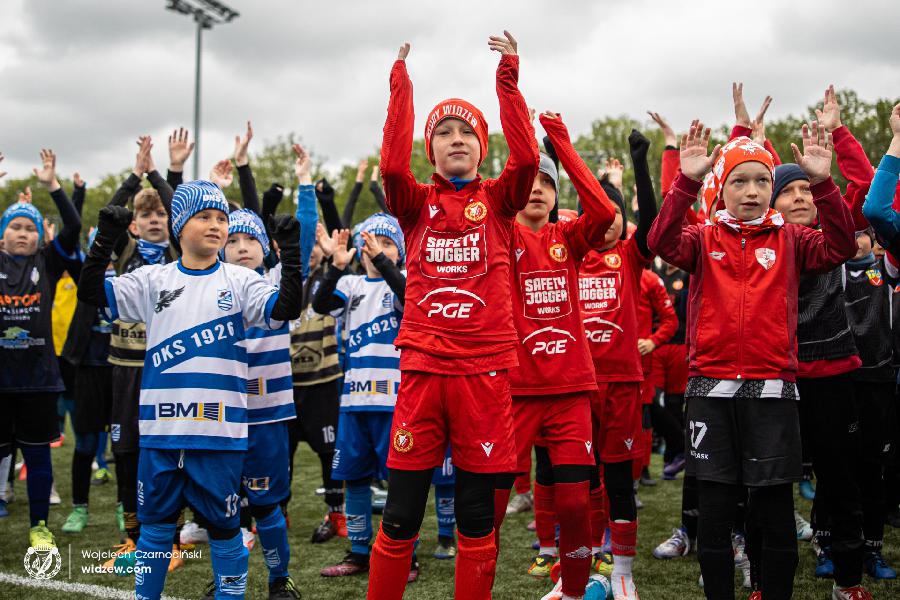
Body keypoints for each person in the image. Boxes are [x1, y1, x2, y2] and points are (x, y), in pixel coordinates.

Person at [648, 120, 857, 600]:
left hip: (772, 394)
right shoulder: (702, 238)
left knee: (775, 512)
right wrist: (685, 183)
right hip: (711, 395)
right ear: (721, 189)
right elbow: (659, 241)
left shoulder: (793, 239)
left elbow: (841, 246)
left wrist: (824, 184)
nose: (752, 191)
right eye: (739, 181)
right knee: (716, 515)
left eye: (762, 180)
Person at [367, 31, 539, 600]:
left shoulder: (500, 201)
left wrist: (507, 78)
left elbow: (528, 157)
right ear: (431, 148)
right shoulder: (414, 203)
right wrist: (401, 85)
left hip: (484, 374)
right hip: (423, 370)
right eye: (444, 132)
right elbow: (392, 166)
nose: (456, 139)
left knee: (476, 519)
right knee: (400, 517)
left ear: (482, 146)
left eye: (467, 131)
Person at [77, 178, 304, 600]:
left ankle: (255, 585)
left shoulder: (241, 280)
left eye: (221, 217)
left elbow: (285, 308)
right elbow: (91, 292)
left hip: (219, 434)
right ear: (180, 226)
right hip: (161, 435)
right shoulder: (153, 279)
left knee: (224, 529)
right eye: (204, 217)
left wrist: (290, 254)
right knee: (155, 531)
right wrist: (105, 239)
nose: (216, 225)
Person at [492, 110, 616, 600]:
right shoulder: (500, 234)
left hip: (569, 390)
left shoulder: (567, 237)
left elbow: (603, 212)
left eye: (548, 183)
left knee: (575, 503)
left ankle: (575, 591)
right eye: (531, 181)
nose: (538, 189)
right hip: (515, 390)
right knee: (491, 505)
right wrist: (524, 144)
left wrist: (560, 144)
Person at [577, 129, 659, 598]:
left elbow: (651, 223)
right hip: (579, 387)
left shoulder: (629, 257)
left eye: (616, 216)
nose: (609, 222)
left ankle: (623, 571)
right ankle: (591, 561)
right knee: (584, 481)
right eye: (599, 214)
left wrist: (639, 163)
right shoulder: (568, 256)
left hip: (623, 384)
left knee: (618, 479)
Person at [312, 214, 407, 579]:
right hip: (353, 402)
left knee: (400, 482)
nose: (377, 249)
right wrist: (335, 266)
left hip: (394, 403)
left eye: (387, 244)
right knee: (354, 479)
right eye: (371, 243)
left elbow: (407, 294)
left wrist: (382, 260)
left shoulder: (403, 281)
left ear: (399, 253)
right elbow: (321, 304)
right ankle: (358, 551)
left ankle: (404, 553)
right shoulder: (350, 284)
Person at [0, 149, 82, 549]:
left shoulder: (47, 263)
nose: (22, 233)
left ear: (40, 235)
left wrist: (53, 186)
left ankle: (39, 527)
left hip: (38, 381)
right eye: (14, 227)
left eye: (30, 228)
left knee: (37, 458)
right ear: (2, 234)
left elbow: (74, 224)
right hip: (0, 381)